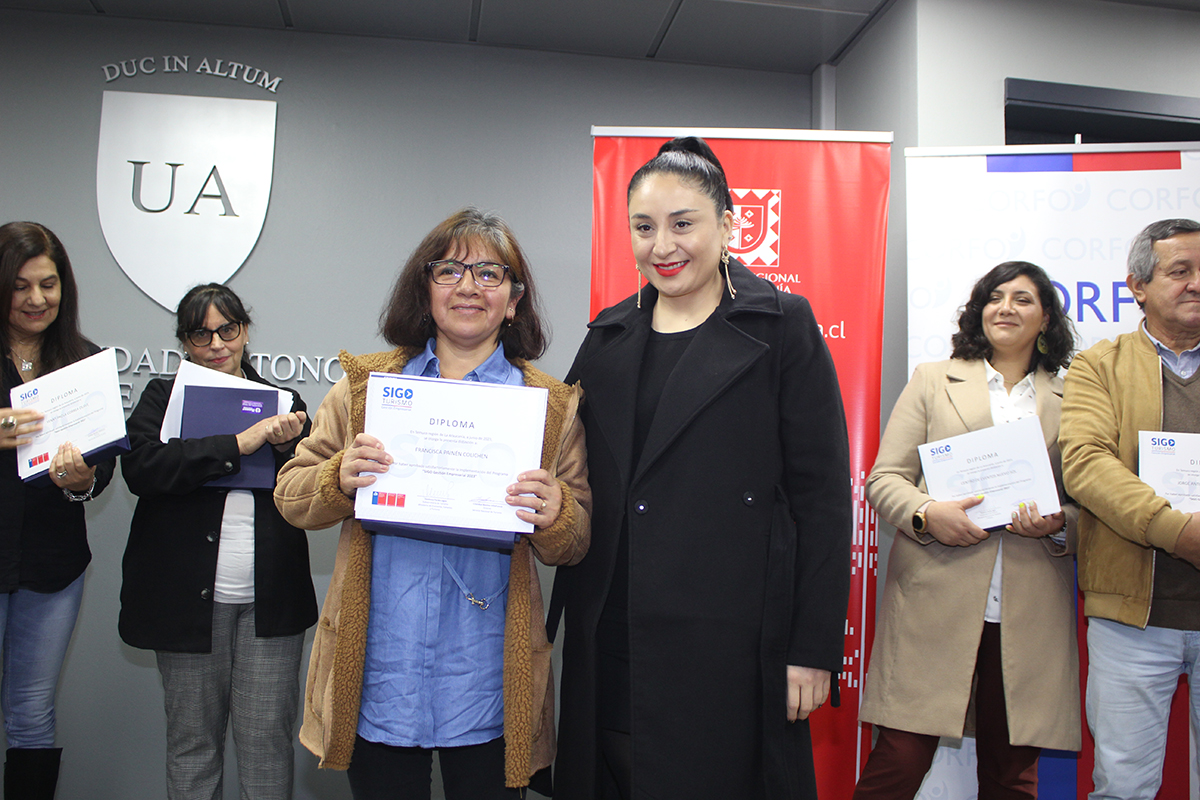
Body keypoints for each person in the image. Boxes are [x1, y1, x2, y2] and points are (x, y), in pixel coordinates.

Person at [550, 137, 851, 800]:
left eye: (682, 223)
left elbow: (824, 500)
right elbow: (562, 463)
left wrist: (812, 649)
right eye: (644, 227)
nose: (663, 246)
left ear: (729, 226)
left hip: (732, 640)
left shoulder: (781, 326)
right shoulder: (607, 335)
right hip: (615, 631)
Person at [274, 208, 590, 799]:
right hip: (380, 684)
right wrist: (338, 478)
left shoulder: (549, 406)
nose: (469, 287)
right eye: (449, 271)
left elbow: (576, 543)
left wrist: (558, 515)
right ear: (425, 289)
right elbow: (290, 494)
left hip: (489, 689)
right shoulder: (366, 389)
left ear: (514, 301)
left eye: (490, 274)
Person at [854, 261, 1081, 799]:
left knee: (1012, 778)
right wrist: (927, 514)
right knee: (898, 764)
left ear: (1047, 319)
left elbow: (1086, 502)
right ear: (979, 310)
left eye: (1023, 299)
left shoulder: (1074, 397)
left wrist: (1058, 526)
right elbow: (885, 479)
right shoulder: (934, 380)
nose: (1006, 308)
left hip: (1029, 612)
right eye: (995, 297)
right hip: (934, 600)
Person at [119, 283, 317, 800]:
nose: (216, 344)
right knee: (192, 744)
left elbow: (311, 486)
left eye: (227, 330)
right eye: (200, 334)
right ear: (184, 341)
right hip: (185, 604)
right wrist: (238, 444)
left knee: (266, 744)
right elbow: (141, 468)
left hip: (269, 605)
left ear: (245, 331)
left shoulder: (284, 404)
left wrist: (287, 445)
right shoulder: (162, 397)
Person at [1060, 218, 1200, 799]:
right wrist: (1177, 532)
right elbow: (1086, 462)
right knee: (1123, 788)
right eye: (1180, 271)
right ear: (1138, 286)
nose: (1196, 283)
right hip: (1131, 620)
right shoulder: (1099, 365)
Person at [0, 221, 116, 799]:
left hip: (52, 568)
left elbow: (103, 469)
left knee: (31, 713)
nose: (36, 299)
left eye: (48, 284)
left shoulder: (84, 361)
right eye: (20, 286)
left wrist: (82, 481)